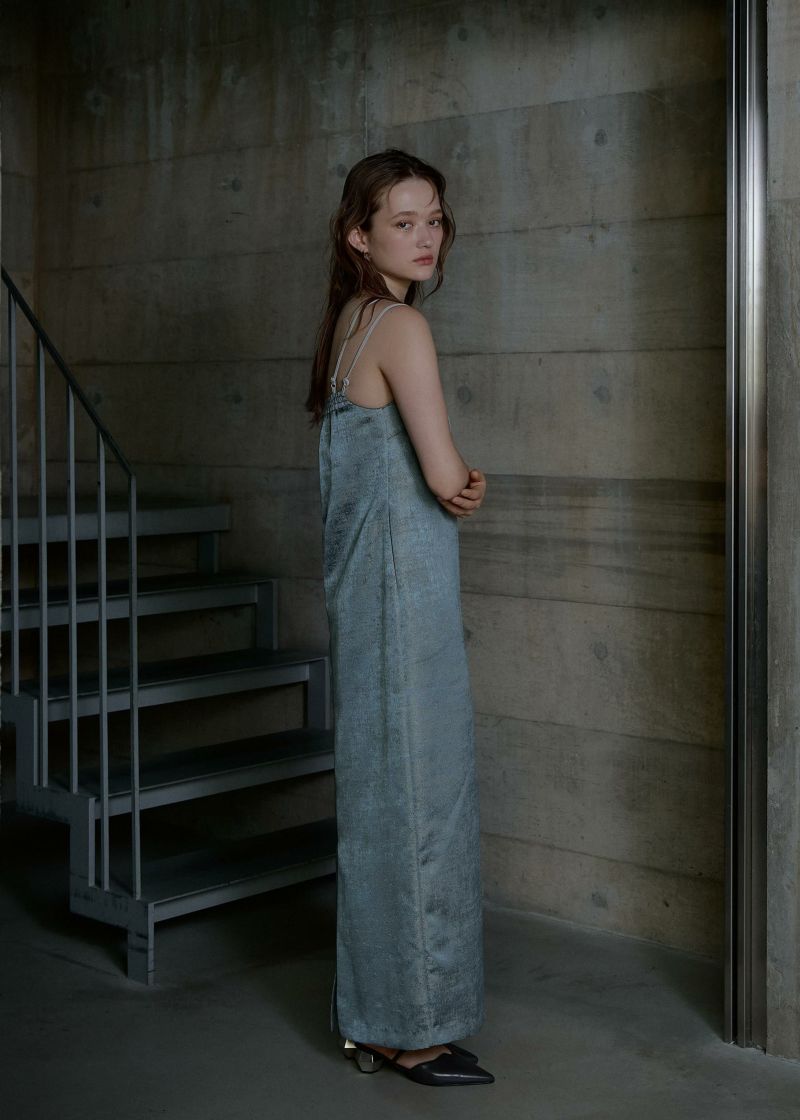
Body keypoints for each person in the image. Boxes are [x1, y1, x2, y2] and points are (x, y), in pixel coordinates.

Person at [306, 148, 494, 1088]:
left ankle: (377, 1016)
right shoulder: (402, 328)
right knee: (420, 800)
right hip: (401, 594)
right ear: (359, 235)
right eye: (404, 223)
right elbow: (444, 474)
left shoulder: (349, 324)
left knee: (385, 799)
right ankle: (406, 1030)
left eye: (434, 220)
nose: (426, 238)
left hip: (365, 594)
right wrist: (471, 484)